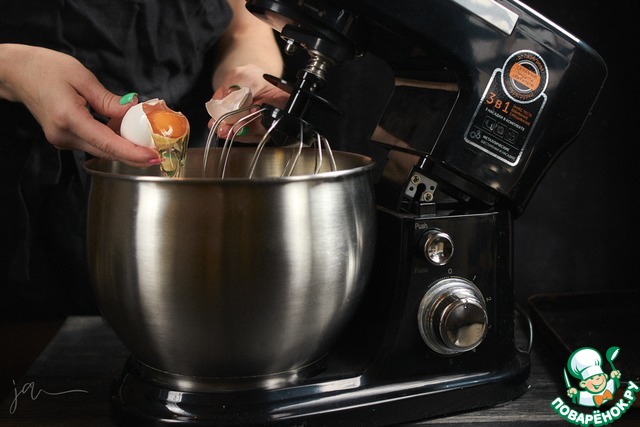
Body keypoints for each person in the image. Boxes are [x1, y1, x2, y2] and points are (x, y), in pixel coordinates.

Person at [0, 0, 288, 318]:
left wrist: (242, 83)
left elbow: (244, 29)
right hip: (20, 182)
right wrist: (11, 69)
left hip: (181, 173)